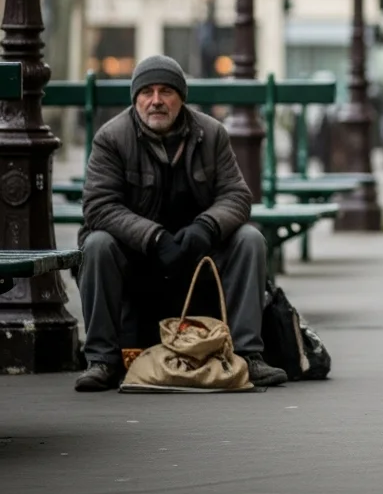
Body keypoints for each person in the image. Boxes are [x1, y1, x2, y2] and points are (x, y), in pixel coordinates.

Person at [75, 55, 286, 391]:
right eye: (147, 92)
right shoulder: (111, 137)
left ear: (182, 98)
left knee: (250, 239)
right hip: (136, 257)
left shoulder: (212, 133)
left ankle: (248, 355)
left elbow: (237, 196)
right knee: (97, 244)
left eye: (166, 92)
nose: (156, 100)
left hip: (198, 254)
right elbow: (99, 206)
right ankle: (101, 360)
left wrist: (206, 227)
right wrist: (154, 237)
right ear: (136, 99)